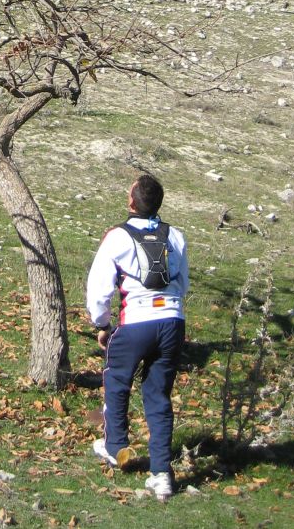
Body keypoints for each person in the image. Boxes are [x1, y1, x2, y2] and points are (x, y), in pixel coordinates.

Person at [85, 172, 189, 503]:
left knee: (117, 380)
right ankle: (161, 475)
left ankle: (115, 447)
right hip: (172, 322)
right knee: (158, 394)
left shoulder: (116, 237)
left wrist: (101, 324)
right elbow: (182, 284)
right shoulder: (176, 236)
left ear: (131, 201)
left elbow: (99, 289)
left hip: (135, 323)